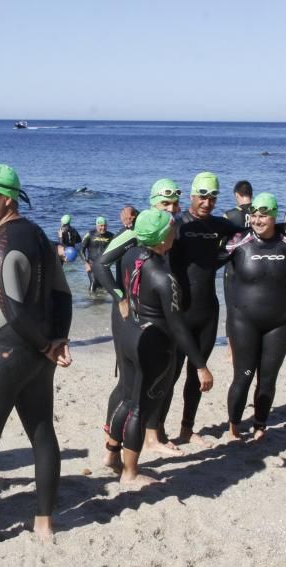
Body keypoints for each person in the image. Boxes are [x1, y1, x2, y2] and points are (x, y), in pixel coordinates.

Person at [0, 163, 72, 549]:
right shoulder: (40, 236)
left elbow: (11, 309)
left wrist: (45, 343)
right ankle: (44, 523)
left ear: (6, 198)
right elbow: (62, 293)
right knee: (42, 434)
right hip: (37, 359)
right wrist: (58, 339)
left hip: (4, 351)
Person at [92, 180, 184, 470]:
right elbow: (100, 264)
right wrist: (119, 296)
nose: (170, 210)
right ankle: (112, 448)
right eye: (164, 204)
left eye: (173, 204)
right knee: (127, 385)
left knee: (153, 383)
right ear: (152, 202)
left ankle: (150, 436)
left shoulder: (172, 226)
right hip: (129, 316)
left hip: (153, 317)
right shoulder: (136, 231)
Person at [117, 210, 213, 485]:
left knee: (127, 400)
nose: (175, 233)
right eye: (171, 230)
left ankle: (112, 455)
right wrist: (200, 365)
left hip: (130, 334)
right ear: (162, 239)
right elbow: (178, 326)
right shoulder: (164, 277)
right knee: (140, 408)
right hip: (153, 344)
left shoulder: (130, 255)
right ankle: (130, 473)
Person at [221, 193, 286, 443]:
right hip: (244, 321)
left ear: (274, 216)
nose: (257, 220)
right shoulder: (238, 241)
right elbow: (207, 261)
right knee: (243, 376)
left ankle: (260, 424)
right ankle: (234, 426)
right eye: (254, 215)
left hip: (279, 322)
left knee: (268, 379)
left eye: (263, 215)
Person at [159, 172, 243, 446]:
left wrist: (283, 228)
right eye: (202, 196)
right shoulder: (176, 224)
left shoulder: (221, 225)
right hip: (178, 311)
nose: (207, 202)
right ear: (192, 195)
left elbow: (252, 231)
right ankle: (156, 430)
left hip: (208, 311)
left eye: (212, 197)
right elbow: (145, 241)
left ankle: (186, 428)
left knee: (197, 374)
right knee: (168, 375)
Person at [80, 216, 114, 293]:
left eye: (105, 225)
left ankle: (100, 303)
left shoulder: (111, 236)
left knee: (104, 285)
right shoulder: (89, 235)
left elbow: (116, 250)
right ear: (97, 226)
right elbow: (81, 250)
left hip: (103, 265)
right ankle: (91, 300)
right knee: (94, 282)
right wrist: (86, 263)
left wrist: (111, 262)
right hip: (92, 264)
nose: (103, 228)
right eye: (101, 226)